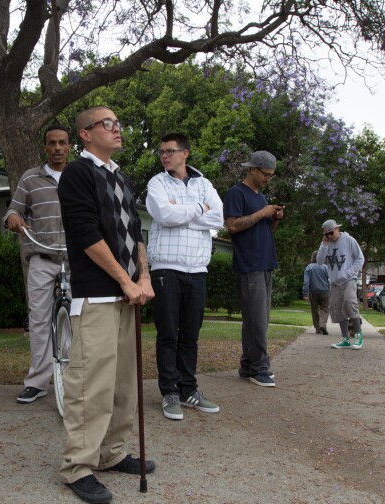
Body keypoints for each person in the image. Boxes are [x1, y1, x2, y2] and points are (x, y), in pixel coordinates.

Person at [57, 106, 155, 504]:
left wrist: (143, 276)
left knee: (123, 385)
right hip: (97, 295)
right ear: (85, 134)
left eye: (118, 124)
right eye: (107, 124)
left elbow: (136, 232)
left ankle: (111, 453)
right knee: (90, 386)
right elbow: (85, 233)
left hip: (128, 293)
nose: (117, 130)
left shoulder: (119, 175)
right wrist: (123, 279)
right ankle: (77, 466)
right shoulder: (78, 174)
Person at [146, 132, 223, 421]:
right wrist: (199, 210)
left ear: (185, 153)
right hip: (166, 269)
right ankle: (170, 392)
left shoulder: (204, 184)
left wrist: (184, 213)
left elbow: (218, 217)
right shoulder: (156, 183)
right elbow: (165, 216)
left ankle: (189, 389)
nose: (164, 156)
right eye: (162, 151)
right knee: (168, 335)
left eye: (170, 151)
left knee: (190, 336)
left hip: (198, 270)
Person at [2, 125, 70, 404]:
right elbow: (13, 210)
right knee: (40, 320)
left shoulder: (80, 176)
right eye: (52, 143)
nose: (57, 148)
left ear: (69, 146)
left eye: (62, 143)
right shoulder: (30, 178)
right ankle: (38, 382)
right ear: (45, 147)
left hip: (76, 259)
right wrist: (12, 219)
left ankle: (74, 380)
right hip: (41, 257)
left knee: (79, 319)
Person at [224, 151, 284, 388]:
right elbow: (232, 226)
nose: (269, 178)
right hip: (249, 265)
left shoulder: (261, 198)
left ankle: (248, 365)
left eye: (271, 175)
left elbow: (264, 230)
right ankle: (260, 369)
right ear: (253, 169)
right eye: (266, 174)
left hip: (265, 263)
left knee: (255, 320)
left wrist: (275, 217)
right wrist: (262, 213)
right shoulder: (236, 193)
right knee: (258, 320)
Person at [316, 219, 365, 349]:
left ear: (337, 228)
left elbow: (360, 259)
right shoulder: (326, 243)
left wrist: (348, 273)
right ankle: (345, 339)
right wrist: (324, 244)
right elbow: (320, 261)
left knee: (350, 303)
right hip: (334, 282)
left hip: (348, 280)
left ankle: (358, 335)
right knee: (336, 309)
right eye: (326, 234)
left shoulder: (349, 240)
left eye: (331, 233)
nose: (329, 236)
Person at [303, 251, 331, 335]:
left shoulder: (309, 268)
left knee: (314, 310)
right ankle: (323, 324)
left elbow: (306, 281)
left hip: (313, 292)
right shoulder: (326, 267)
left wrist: (305, 293)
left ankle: (318, 328)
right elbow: (330, 280)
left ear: (312, 257)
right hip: (325, 292)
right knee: (325, 309)